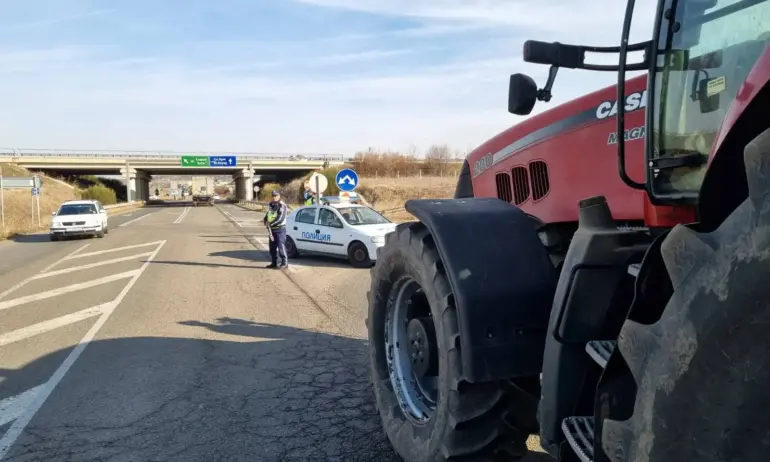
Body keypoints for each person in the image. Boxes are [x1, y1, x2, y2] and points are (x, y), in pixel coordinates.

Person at [263, 189, 289, 269]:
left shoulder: (282, 205)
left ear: (279, 196)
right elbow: (268, 214)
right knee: (272, 248)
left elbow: (280, 218)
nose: (274, 197)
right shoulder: (271, 204)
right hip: (272, 230)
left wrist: (271, 224)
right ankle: (274, 263)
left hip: (280, 229)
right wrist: (265, 220)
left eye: (276, 196)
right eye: (273, 196)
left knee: (281, 247)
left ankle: (285, 263)